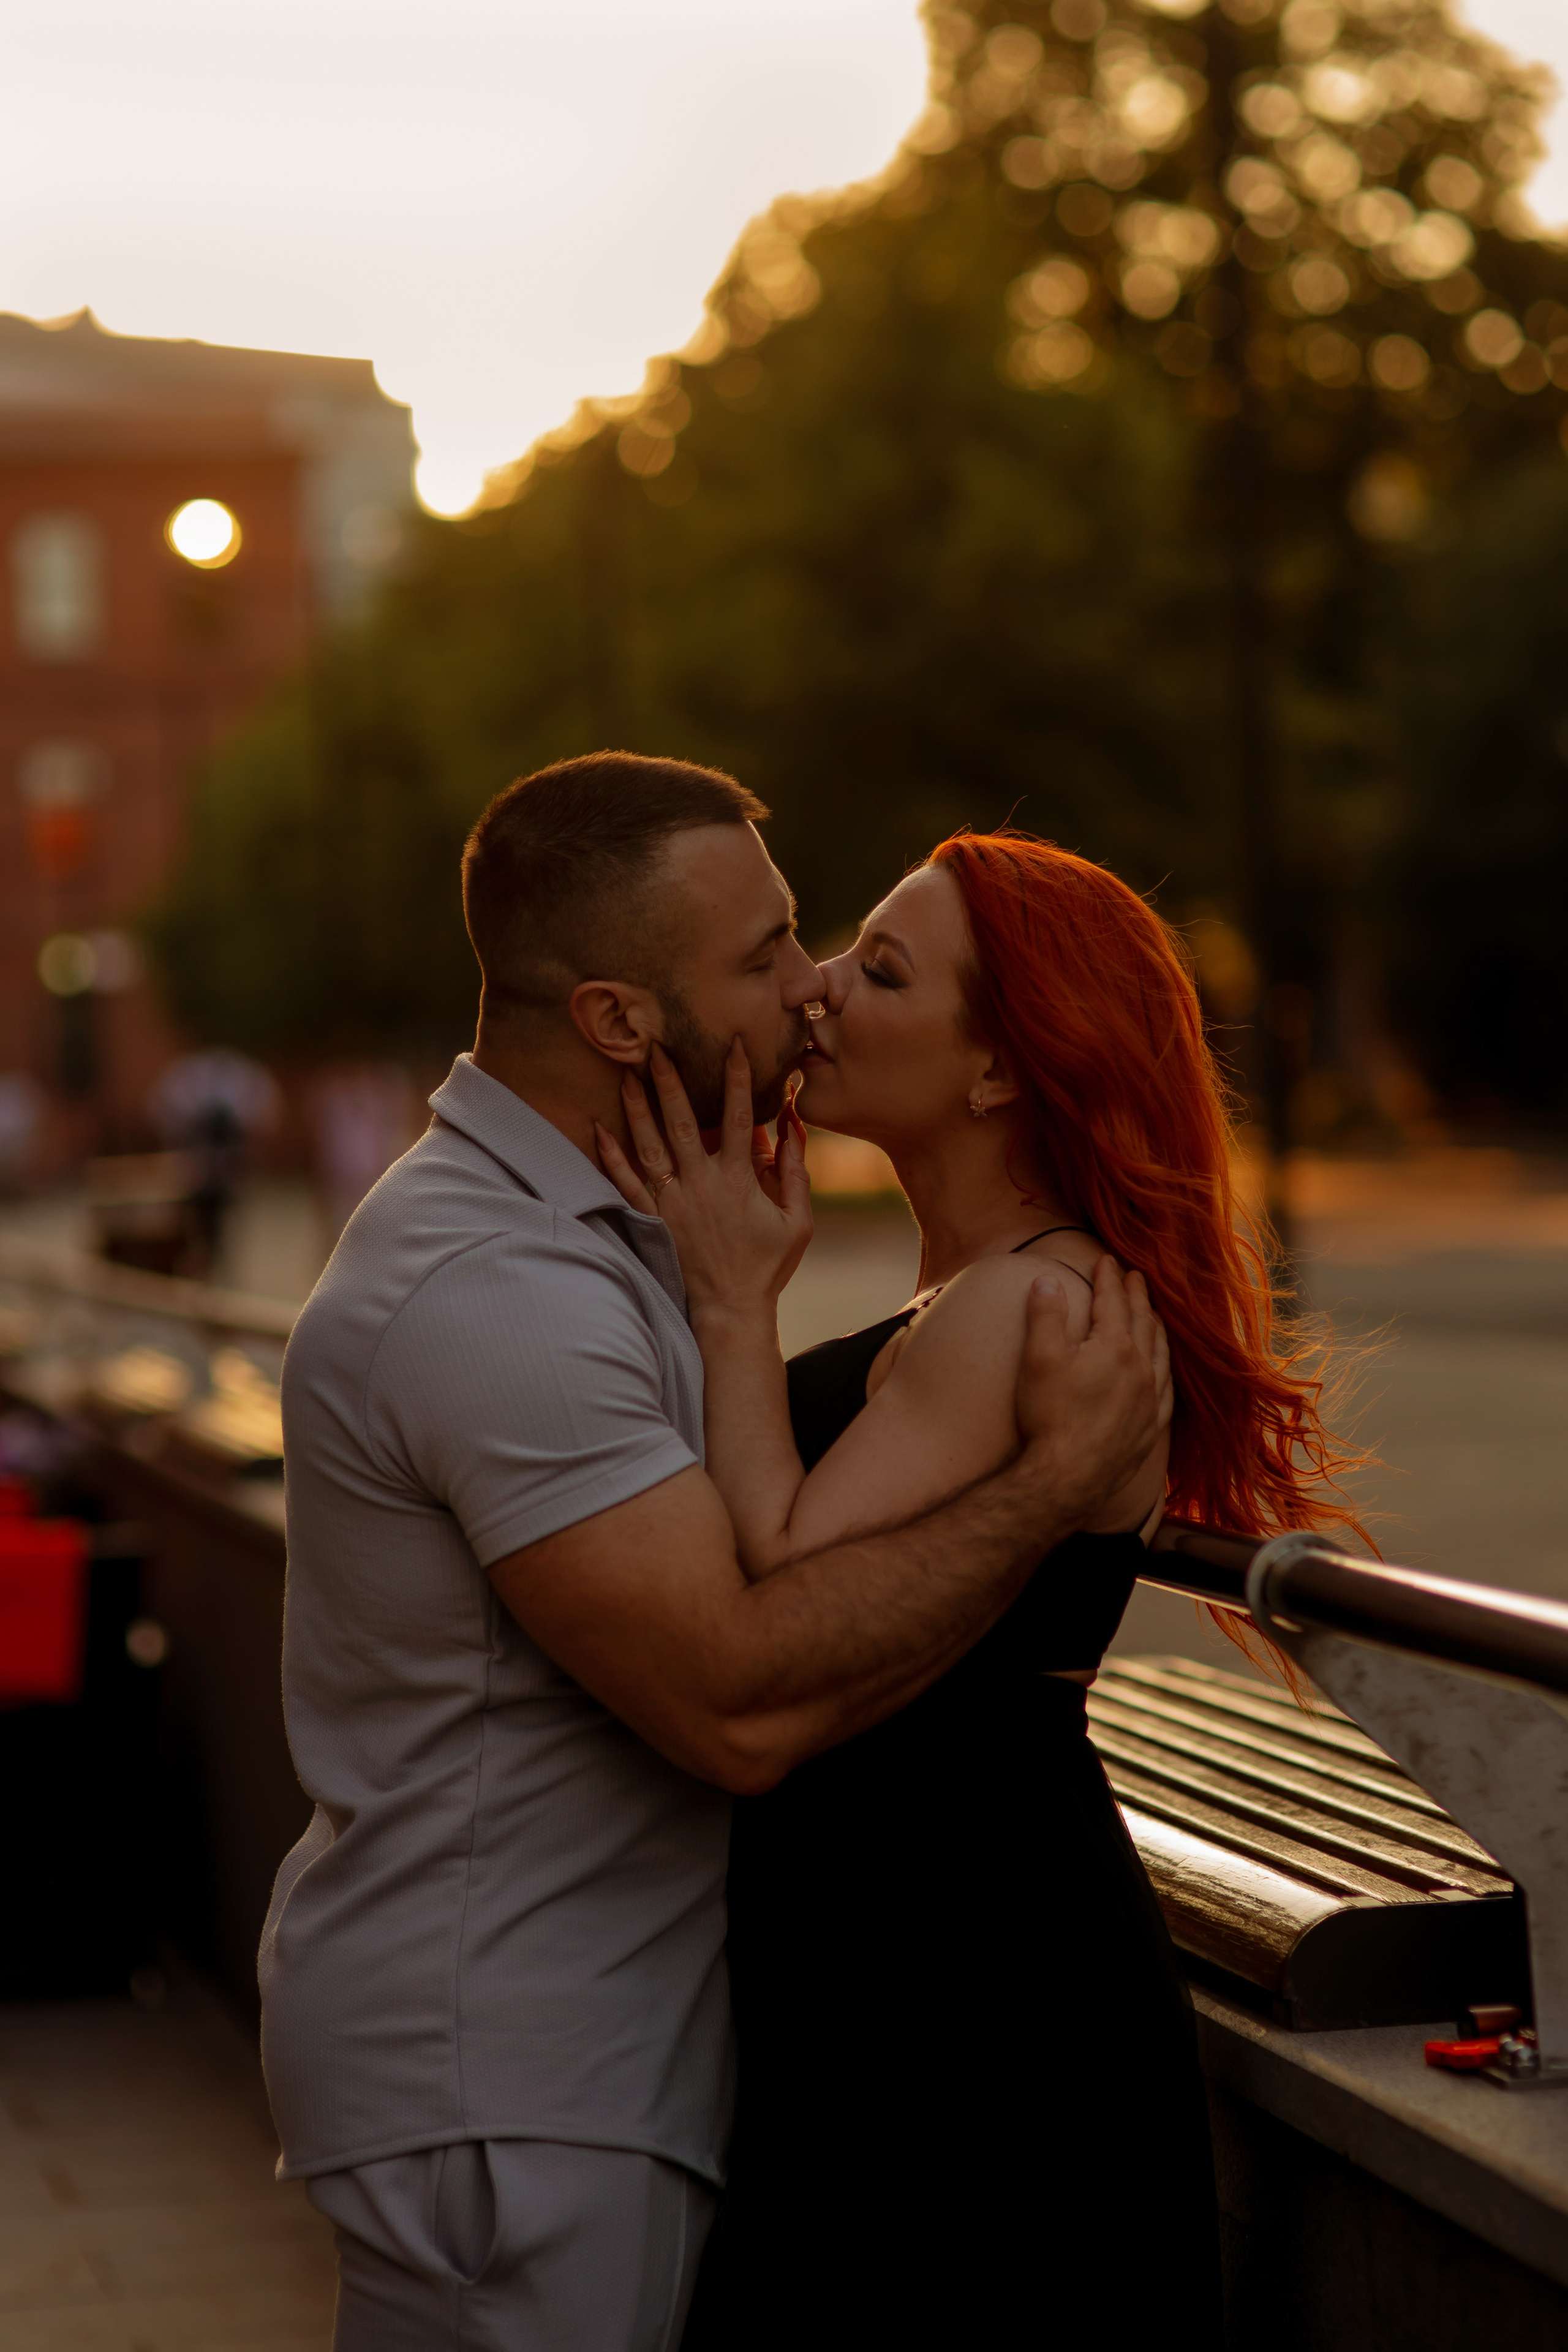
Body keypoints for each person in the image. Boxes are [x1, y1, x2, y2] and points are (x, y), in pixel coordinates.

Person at [258, 758, 1170, 2352]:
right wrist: (1044, 1492)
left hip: (620, 2060)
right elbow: (738, 1702)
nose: (807, 990)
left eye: (829, 949)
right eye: (768, 955)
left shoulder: (610, 1234)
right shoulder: (501, 1288)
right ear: (619, 1019)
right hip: (523, 2085)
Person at [599, 828, 1362, 2348]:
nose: (815, 992)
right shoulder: (995, 1290)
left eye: (877, 971)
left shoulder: (1021, 1303)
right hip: (936, 1953)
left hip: (958, 1987)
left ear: (998, 1072)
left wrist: (729, 1297)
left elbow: (778, 1578)